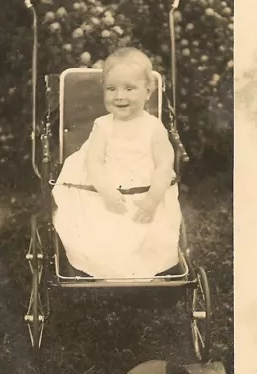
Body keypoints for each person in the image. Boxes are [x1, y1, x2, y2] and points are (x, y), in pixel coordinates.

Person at [52, 47, 182, 279]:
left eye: (129, 88)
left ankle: (136, 268)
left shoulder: (154, 128)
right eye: (111, 89)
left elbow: (164, 165)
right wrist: (105, 191)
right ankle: (108, 267)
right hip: (106, 191)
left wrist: (152, 199)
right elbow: (94, 162)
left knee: (149, 233)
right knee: (100, 231)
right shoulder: (103, 126)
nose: (119, 96)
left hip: (145, 193)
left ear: (148, 91)